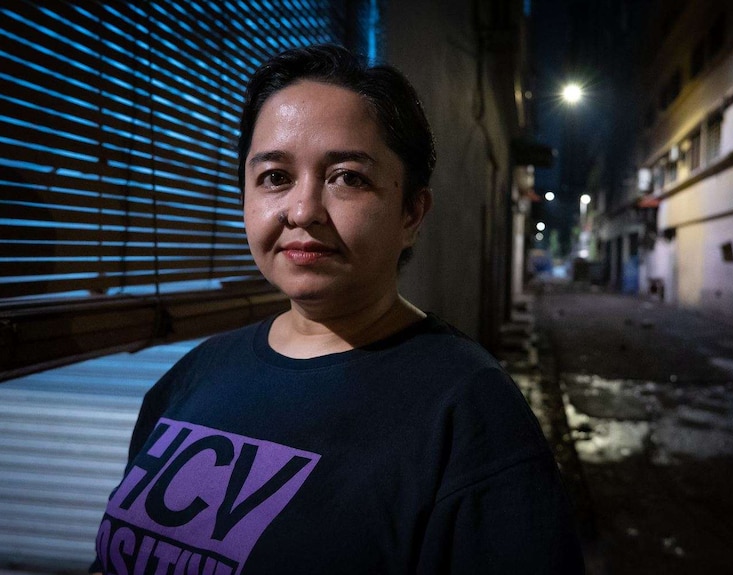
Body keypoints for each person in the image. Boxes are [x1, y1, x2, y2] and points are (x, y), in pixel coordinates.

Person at [90, 44, 585, 574]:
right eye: (275, 177)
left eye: (347, 177)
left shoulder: (469, 412)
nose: (303, 211)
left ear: (412, 211)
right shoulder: (194, 376)